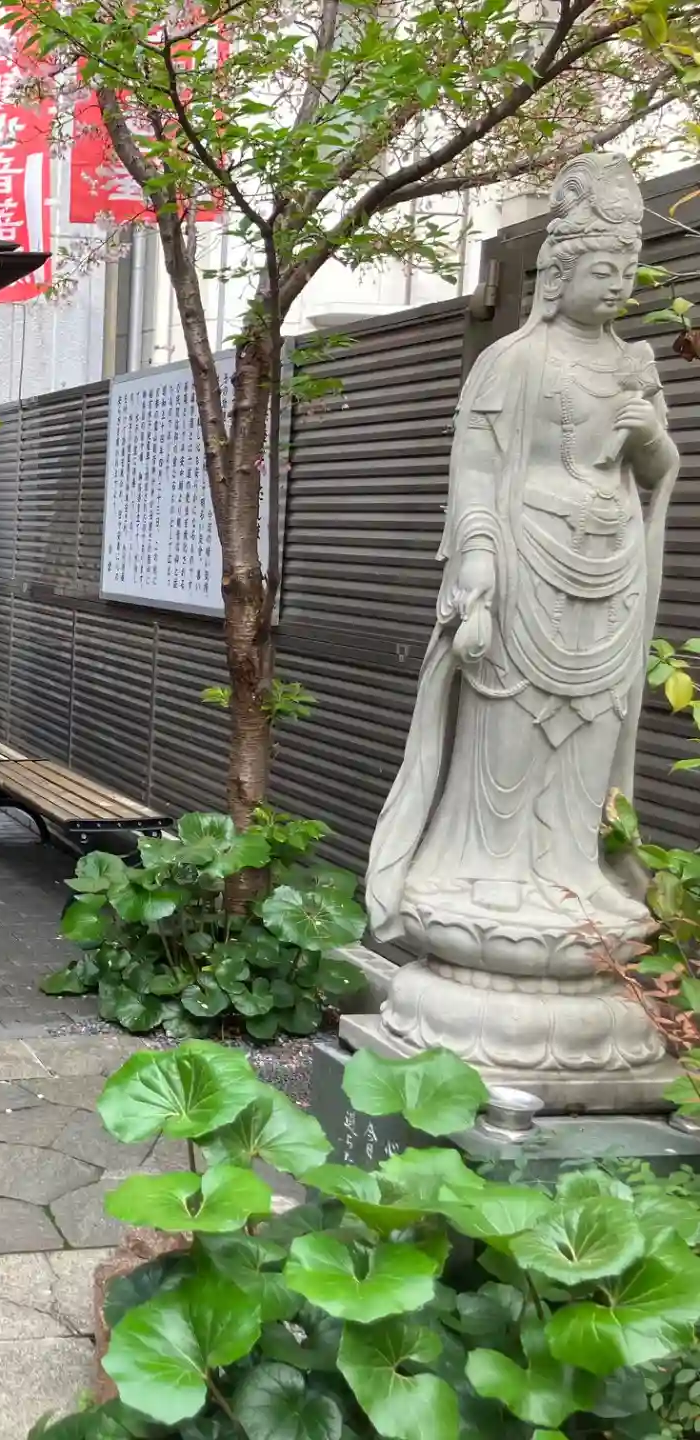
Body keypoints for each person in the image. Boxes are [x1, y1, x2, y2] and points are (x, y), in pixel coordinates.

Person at [365, 153, 679, 1073]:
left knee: (591, 732)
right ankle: (490, 872)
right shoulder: (514, 361)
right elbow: (474, 472)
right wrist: (477, 567)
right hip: (525, 563)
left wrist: (653, 443)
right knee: (507, 735)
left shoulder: (633, 369)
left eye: (626, 272)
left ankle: (573, 870)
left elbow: (658, 472)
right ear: (561, 273)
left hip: (612, 570)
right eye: (601, 269)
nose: (615, 286)